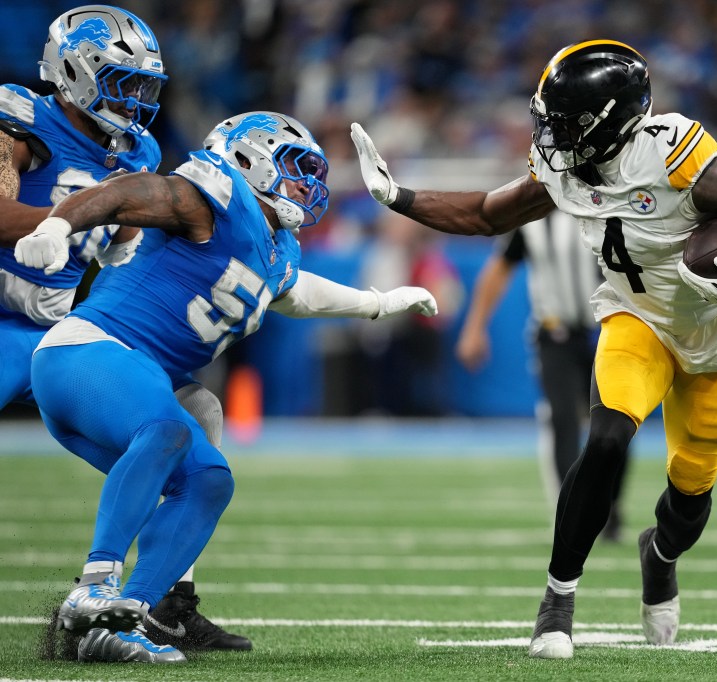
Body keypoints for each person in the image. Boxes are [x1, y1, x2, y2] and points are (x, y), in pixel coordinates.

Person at [350, 39, 717, 658]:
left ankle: (659, 555)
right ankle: (557, 603)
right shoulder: (565, 169)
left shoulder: (677, 159)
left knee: (689, 502)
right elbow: (490, 214)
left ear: (612, 122)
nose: (552, 135)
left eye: (566, 123)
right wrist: (399, 198)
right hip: (635, 319)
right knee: (603, 440)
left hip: (711, 339)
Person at [14, 109, 438, 664]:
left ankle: (127, 618)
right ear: (247, 159)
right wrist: (56, 224)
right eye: (293, 167)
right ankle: (94, 586)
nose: (306, 185)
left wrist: (377, 303)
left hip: (137, 379)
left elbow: (297, 292)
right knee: (167, 427)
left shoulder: (277, 248)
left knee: (209, 480)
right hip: (88, 353)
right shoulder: (213, 196)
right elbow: (130, 192)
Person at [0, 5, 251, 655]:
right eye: (122, 80)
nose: (136, 100)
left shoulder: (135, 150)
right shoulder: (21, 121)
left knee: (200, 417)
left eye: (144, 85)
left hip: (57, 330)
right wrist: (64, 223)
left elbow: (130, 242)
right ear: (77, 73)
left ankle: (162, 603)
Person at [455, 213, 629, 540]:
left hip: (608, 331)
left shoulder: (605, 202)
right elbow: (500, 266)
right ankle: (575, 512)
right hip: (554, 336)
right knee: (562, 420)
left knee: (615, 425)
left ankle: (610, 504)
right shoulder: (532, 213)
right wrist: (474, 327)